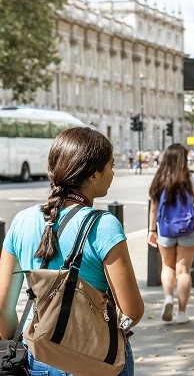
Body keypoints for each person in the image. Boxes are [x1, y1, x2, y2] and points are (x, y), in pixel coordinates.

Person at [0, 127, 144, 375]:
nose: (113, 173)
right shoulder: (103, 225)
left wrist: (30, 343)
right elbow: (132, 310)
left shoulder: (22, 220)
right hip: (96, 358)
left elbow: (3, 308)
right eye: (110, 165)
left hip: (39, 358)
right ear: (93, 175)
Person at [147, 143, 194, 325]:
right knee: (184, 270)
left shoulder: (159, 179)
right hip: (188, 228)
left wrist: (151, 230)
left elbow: (154, 208)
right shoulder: (193, 178)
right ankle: (182, 313)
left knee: (168, 267)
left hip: (165, 229)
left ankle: (168, 298)